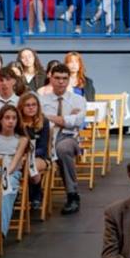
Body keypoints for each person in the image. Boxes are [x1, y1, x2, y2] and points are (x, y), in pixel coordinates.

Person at [39, 62, 87, 215]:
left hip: (69, 137)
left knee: (63, 149)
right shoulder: (41, 100)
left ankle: (72, 195)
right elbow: (36, 120)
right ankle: (34, 194)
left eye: (64, 78)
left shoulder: (78, 100)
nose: (61, 81)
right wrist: (65, 118)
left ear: (69, 80)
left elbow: (76, 122)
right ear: (51, 79)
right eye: (57, 78)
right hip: (45, 137)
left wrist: (48, 117)